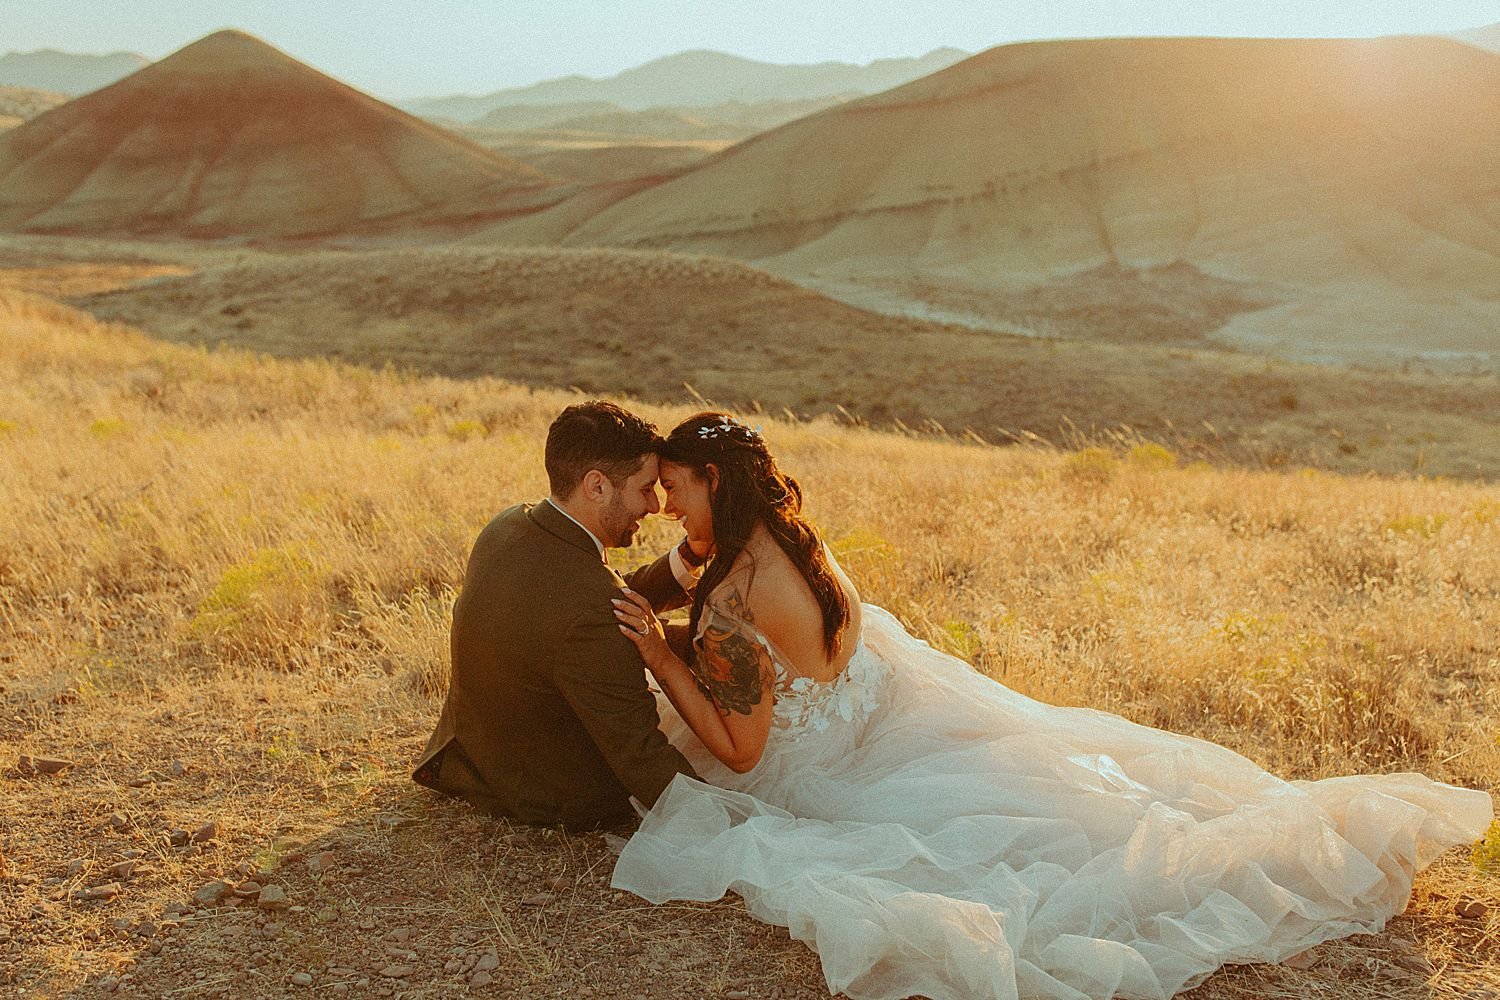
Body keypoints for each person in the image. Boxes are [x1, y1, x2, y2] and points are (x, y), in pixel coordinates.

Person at [609, 411, 1495, 1000]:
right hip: (885, 704)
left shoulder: (732, 607)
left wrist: (658, 650)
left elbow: (744, 754)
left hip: (820, 757)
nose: (663, 503)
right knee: (1073, 789)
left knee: (1017, 852)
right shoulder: (795, 542)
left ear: (715, 485)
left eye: (676, 487)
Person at [412, 400, 709, 830]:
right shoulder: (590, 611)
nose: (654, 505)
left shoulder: (508, 526)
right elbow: (642, 756)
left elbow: (578, 597)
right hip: (552, 791)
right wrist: (734, 822)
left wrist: (686, 560)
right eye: (645, 488)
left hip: (479, 753)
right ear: (597, 486)